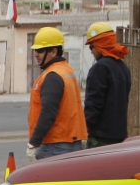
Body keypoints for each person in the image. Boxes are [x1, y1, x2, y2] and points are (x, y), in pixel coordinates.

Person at [27, 27, 87, 161]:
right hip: (69, 141)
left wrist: (33, 142)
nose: (36, 54)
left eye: (40, 50)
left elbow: (48, 112)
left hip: (55, 145)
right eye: (35, 50)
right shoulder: (66, 70)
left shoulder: (53, 76)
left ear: (53, 51)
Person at [84, 22, 131, 148]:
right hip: (119, 138)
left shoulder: (100, 68)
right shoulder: (123, 67)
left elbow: (93, 105)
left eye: (91, 47)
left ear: (100, 45)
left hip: (100, 140)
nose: (91, 51)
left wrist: (84, 130)